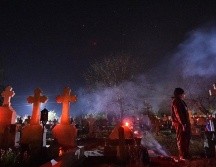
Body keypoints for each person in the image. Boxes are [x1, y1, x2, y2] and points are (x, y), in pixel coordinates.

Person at [171, 88, 191, 160]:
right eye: (183, 93)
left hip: (185, 123)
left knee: (186, 138)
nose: (184, 95)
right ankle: (182, 156)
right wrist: (183, 124)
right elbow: (178, 114)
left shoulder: (181, 101)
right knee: (182, 139)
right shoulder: (176, 101)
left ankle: (186, 154)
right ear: (179, 94)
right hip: (180, 124)